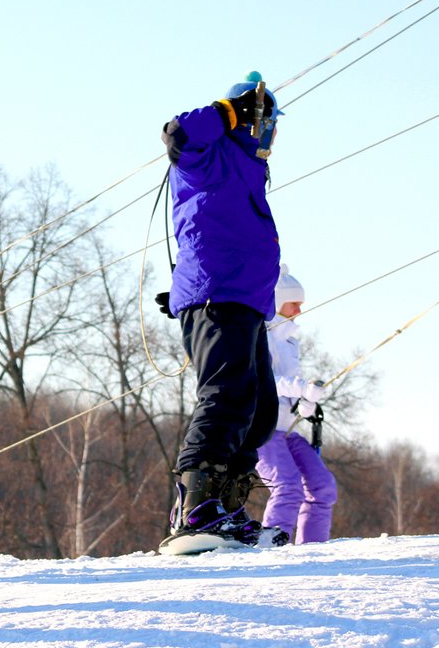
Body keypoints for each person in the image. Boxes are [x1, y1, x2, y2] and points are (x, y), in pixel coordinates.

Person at [156, 74, 283, 554]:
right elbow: (179, 132)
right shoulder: (205, 154)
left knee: (260, 410)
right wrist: (229, 109)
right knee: (226, 394)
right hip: (218, 293)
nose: (267, 131)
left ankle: (226, 509)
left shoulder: (250, 166)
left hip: (247, 298)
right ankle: (194, 509)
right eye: (263, 119)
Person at [256, 265, 336, 544]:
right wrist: (300, 387)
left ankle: (313, 548)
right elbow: (265, 381)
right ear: (277, 302)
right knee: (288, 486)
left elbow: (288, 386)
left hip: (288, 428)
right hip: (263, 429)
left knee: (322, 486)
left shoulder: (289, 341)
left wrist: (304, 403)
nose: (299, 311)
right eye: (294, 304)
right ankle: (272, 543)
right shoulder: (258, 335)